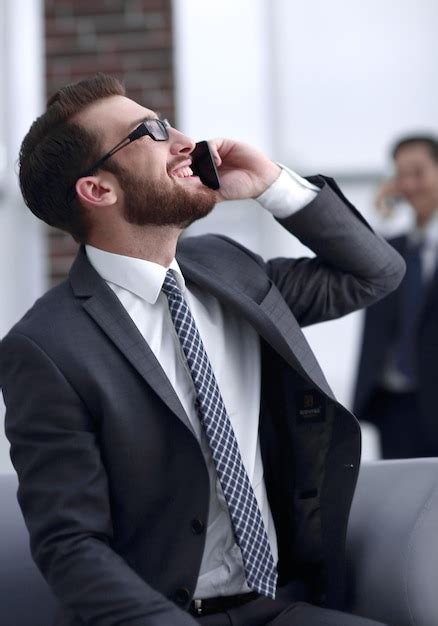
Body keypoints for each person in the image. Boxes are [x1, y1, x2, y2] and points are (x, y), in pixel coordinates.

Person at [0, 74, 404, 626]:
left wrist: (271, 185)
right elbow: (71, 545)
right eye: (152, 131)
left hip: (287, 603)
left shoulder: (230, 269)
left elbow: (375, 274)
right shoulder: (46, 347)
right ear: (98, 190)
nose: (186, 140)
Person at [353, 134, 438, 459]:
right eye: (401, 175)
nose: (409, 185)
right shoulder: (393, 248)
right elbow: (355, 266)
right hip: (394, 406)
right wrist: (382, 218)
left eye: (418, 173)